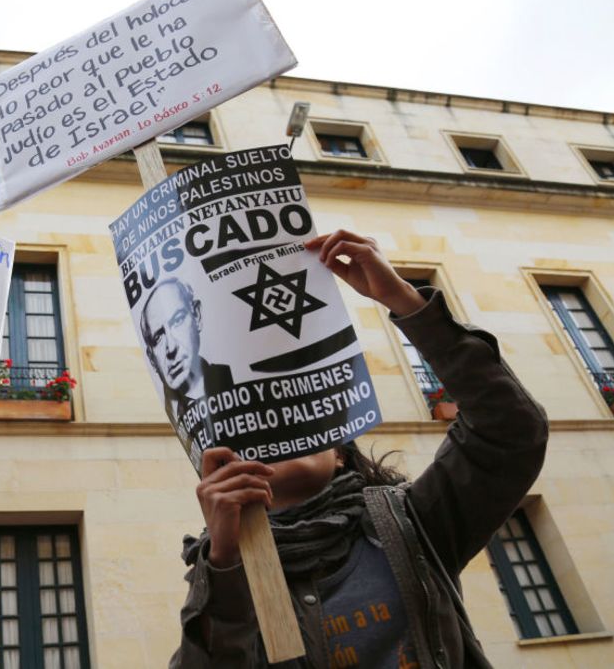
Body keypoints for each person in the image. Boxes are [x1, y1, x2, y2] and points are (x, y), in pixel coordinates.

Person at [170, 230, 548, 668]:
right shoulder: (222, 574)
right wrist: (223, 562)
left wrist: (406, 303)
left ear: (342, 455)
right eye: (258, 433)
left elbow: (511, 430)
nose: (281, 433)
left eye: (304, 418)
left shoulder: (413, 522)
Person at [141, 277, 234, 458]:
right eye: (158, 338)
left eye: (177, 321)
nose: (171, 347)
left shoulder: (235, 380)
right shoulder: (172, 415)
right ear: (151, 358)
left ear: (197, 316)